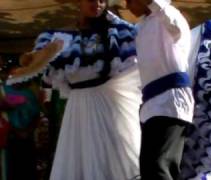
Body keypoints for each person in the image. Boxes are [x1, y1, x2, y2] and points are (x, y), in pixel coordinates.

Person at [7, 0, 142, 179]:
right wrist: (32, 60)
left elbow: (137, 50)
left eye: (102, 0)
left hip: (109, 105)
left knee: (115, 158)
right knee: (80, 158)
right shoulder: (59, 37)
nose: (97, 4)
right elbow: (38, 61)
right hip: (79, 106)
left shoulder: (118, 32)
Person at [126, 0, 194, 179]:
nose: (127, 6)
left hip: (171, 101)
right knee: (153, 168)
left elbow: (162, 9)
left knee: (157, 165)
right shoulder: (141, 27)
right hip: (152, 105)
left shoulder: (170, 17)